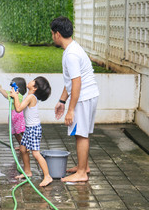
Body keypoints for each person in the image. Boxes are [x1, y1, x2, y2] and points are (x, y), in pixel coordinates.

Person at [50, 16, 99, 182]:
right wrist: (62, 101)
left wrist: (70, 110)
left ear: (57, 34)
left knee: (81, 133)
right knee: (82, 133)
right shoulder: (73, 48)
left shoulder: (71, 55)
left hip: (83, 97)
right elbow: (71, 81)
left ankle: (82, 173)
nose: (52, 37)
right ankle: (83, 166)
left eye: (52, 33)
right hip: (88, 95)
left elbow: (76, 83)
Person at [10, 76, 53, 187]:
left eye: (33, 80)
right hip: (29, 128)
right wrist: (16, 95)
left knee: (36, 153)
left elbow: (18, 109)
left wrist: (15, 96)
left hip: (33, 129)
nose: (30, 81)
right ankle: (28, 172)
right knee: (23, 149)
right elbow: (19, 107)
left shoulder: (31, 97)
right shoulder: (29, 96)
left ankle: (47, 176)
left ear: (35, 87)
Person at [0, 77, 26, 149]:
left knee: (21, 131)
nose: (11, 89)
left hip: (18, 117)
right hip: (12, 116)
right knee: (15, 132)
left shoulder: (19, 96)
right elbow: (5, 92)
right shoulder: (13, 93)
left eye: (12, 87)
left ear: (18, 88)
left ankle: (27, 144)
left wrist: (0, 89)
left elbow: (6, 95)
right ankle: (21, 145)